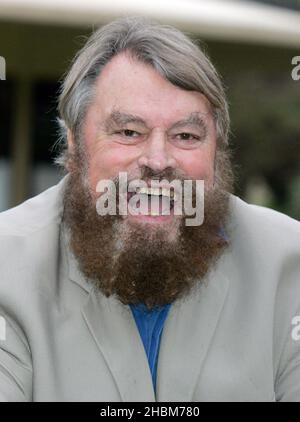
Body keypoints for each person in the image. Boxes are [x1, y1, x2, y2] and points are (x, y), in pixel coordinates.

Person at [0, 16, 299, 402]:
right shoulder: (6, 265)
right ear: (74, 144)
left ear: (217, 152)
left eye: (186, 136)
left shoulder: (288, 265)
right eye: (129, 132)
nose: (158, 161)